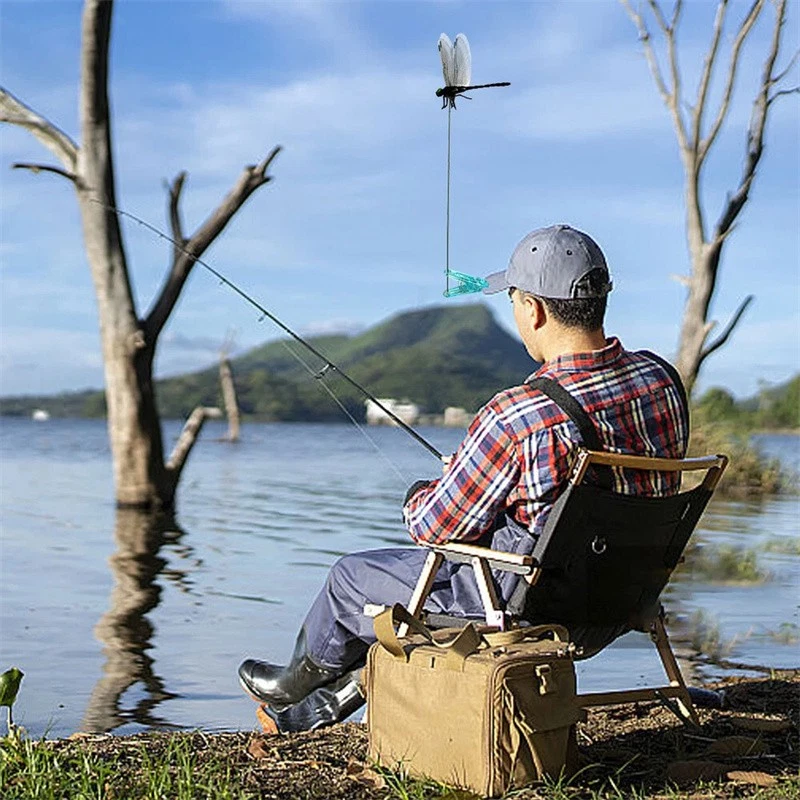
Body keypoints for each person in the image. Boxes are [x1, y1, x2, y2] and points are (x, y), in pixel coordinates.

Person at [238, 224, 689, 733]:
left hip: (522, 613)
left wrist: (419, 495)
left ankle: (297, 683)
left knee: (348, 579)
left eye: (514, 299)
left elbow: (433, 528)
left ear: (534, 310)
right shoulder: (662, 380)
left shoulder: (519, 415)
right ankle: (329, 700)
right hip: (623, 600)